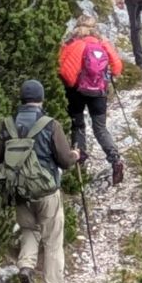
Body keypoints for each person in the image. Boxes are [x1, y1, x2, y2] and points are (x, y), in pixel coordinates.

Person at [0, 80, 78, 283]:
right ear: (41, 99)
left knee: (29, 230)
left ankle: (26, 266)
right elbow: (65, 161)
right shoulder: (51, 125)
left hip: (19, 192)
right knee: (52, 241)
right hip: (46, 192)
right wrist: (75, 155)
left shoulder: (7, 125)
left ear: (22, 99)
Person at [58, 16, 126, 186]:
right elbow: (117, 68)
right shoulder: (102, 43)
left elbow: (63, 69)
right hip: (99, 92)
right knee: (100, 128)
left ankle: (79, 161)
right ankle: (115, 159)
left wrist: (71, 85)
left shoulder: (73, 44)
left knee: (78, 125)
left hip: (76, 92)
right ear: (95, 28)